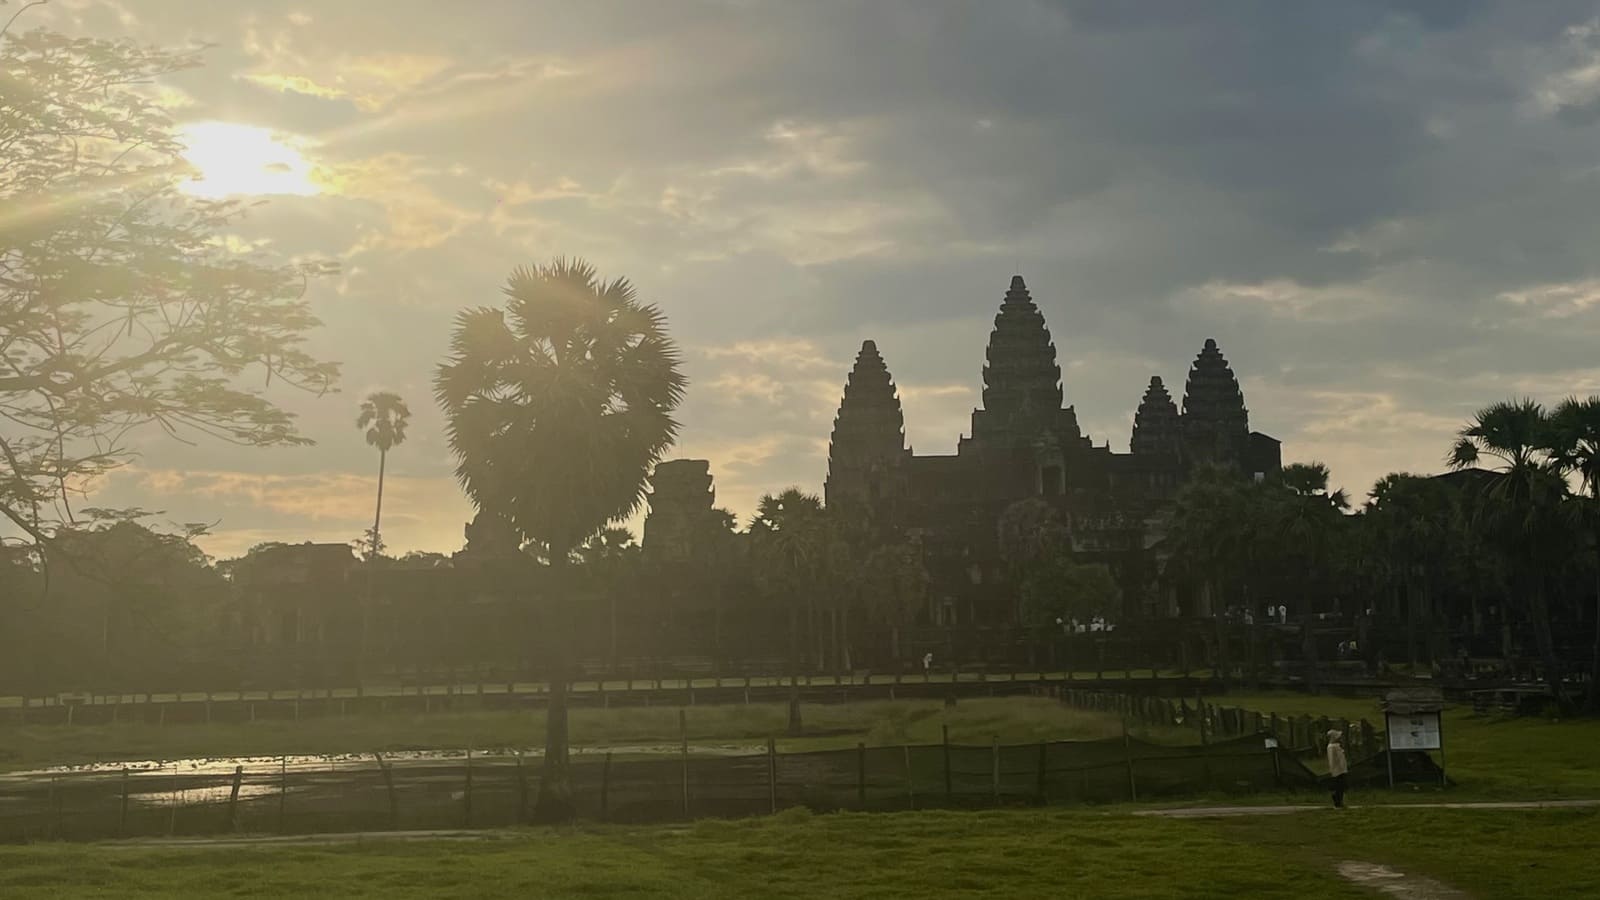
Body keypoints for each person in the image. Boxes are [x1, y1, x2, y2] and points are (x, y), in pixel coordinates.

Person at [1326, 729, 1349, 808]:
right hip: (1338, 770)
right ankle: (1338, 802)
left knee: (1341, 786)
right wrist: (1333, 769)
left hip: (1340, 769)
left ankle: (1339, 801)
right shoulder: (1332, 747)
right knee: (1339, 786)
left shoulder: (1336, 746)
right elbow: (1333, 759)